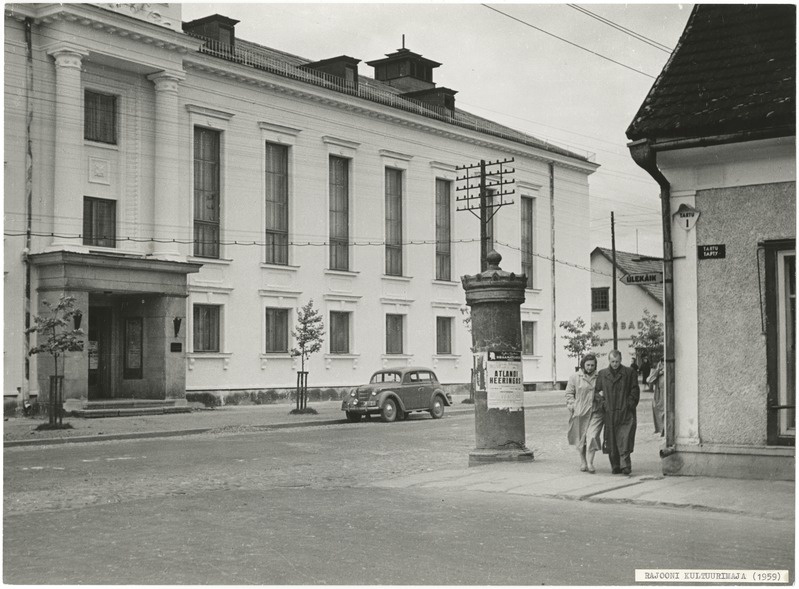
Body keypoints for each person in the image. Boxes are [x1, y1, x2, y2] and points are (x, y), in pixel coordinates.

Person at [595, 350, 640, 475]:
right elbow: (597, 393)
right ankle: (615, 465)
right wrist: (603, 404)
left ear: (621, 360)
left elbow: (635, 389)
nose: (615, 364)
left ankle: (625, 465)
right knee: (611, 439)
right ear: (609, 361)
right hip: (610, 412)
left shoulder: (629, 373)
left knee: (625, 438)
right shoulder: (603, 374)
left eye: (617, 361)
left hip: (625, 411)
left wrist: (630, 404)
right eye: (613, 361)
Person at [565, 353, 604, 474]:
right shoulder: (575, 377)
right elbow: (569, 394)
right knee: (580, 438)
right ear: (583, 364)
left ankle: (591, 462)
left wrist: (601, 398)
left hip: (596, 411)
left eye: (592, 365)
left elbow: (605, 391)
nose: (590, 368)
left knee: (592, 436)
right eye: (588, 365)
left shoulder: (600, 377)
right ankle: (583, 461)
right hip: (580, 412)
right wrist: (572, 406)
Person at [648, 358, 665, 436]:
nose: (663, 365)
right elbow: (649, 380)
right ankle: (662, 430)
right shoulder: (657, 372)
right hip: (659, 395)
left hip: (666, 395)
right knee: (659, 412)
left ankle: (665, 430)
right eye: (662, 363)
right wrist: (658, 372)